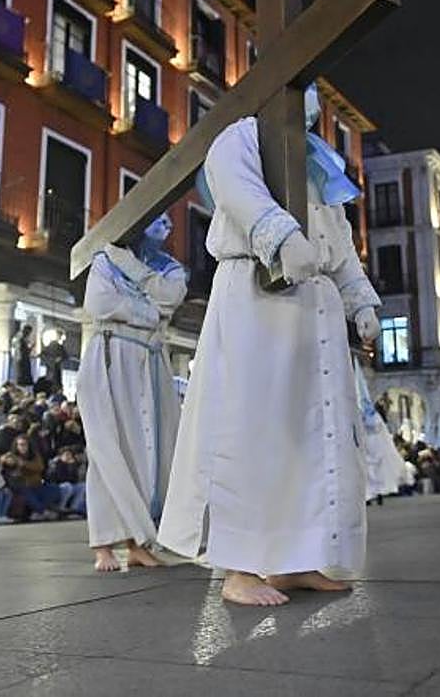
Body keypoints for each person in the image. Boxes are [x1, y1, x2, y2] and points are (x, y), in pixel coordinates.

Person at [158, 85, 382, 606]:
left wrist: (359, 299)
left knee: (310, 439)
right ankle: (239, 568)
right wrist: (281, 236)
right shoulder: (242, 136)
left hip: (315, 312)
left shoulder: (316, 162)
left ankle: (296, 560)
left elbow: (340, 239)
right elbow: (235, 186)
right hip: (258, 296)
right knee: (251, 429)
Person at [77, 212, 188, 572]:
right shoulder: (104, 259)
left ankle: (137, 542)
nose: (165, 226)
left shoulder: (169, 268)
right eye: (158, 220)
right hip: (111, 356)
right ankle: (102, 543)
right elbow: (100, 304)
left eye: (168, 222)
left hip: (150, 360)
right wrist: (150, 312)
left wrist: (130, 272)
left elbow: (171, 299)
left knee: (147, 450)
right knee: (108, 447)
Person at [357, 359, 407, 504]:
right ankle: (370, 495)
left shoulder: (375, 418)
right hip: (367, 447)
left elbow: (378, 430)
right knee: (368, 472)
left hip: (372, 447)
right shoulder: (369, 417)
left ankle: (376, 494)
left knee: (374, 472)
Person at [12, 324, 34, 388]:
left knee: (21, 378)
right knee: (21, 378)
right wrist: (30, 348)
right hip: (22, 362)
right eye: (29, 332)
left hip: (21, 361)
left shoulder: (20, 338)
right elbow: (22, 350)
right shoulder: (21, 338)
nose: (29, 334)